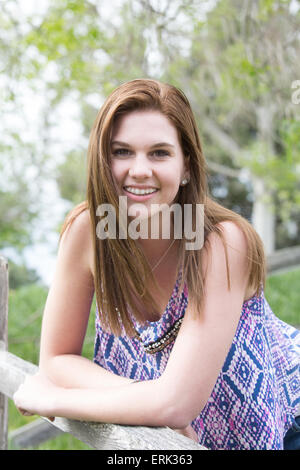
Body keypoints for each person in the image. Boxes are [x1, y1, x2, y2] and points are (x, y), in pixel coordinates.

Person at [13, 79, 300, 450]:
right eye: (121, 151)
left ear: (186, 168)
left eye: (159, 153)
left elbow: (176, 404)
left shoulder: (222, 242)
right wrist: (146, 401)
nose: (139, 170)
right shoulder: (88, 232)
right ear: (101, 159)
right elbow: (56, 358)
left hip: (287, 426)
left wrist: (53, 400)